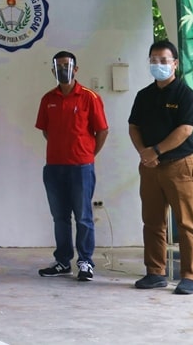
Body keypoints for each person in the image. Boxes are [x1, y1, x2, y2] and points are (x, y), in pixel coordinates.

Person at [128, 40, 193, 295]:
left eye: (164, 60)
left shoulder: (185, 94)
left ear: (175, 64)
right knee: (152, 221)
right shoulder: (144, 95)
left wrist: (156, 151)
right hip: (150, 167)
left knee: (185, 223)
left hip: (178, 165)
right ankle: (155, 272)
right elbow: (134, 126)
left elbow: (185, 130)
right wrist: (144, 153)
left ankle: (190, 276)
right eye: (154, 60)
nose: (158, 65)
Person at [35, 51, 109, 282]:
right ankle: (62, 261)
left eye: (67, 65)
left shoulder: (89, 97)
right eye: (58, 66)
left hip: (81, 167)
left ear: (76, 69)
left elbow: (102, 130)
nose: (63, 69)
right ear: (53, 70)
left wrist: (88, 153)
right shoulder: (48, 99)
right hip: (54, 168)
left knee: (83, 217)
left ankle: (85, 261)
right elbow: (46, 130)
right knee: (60, 218)